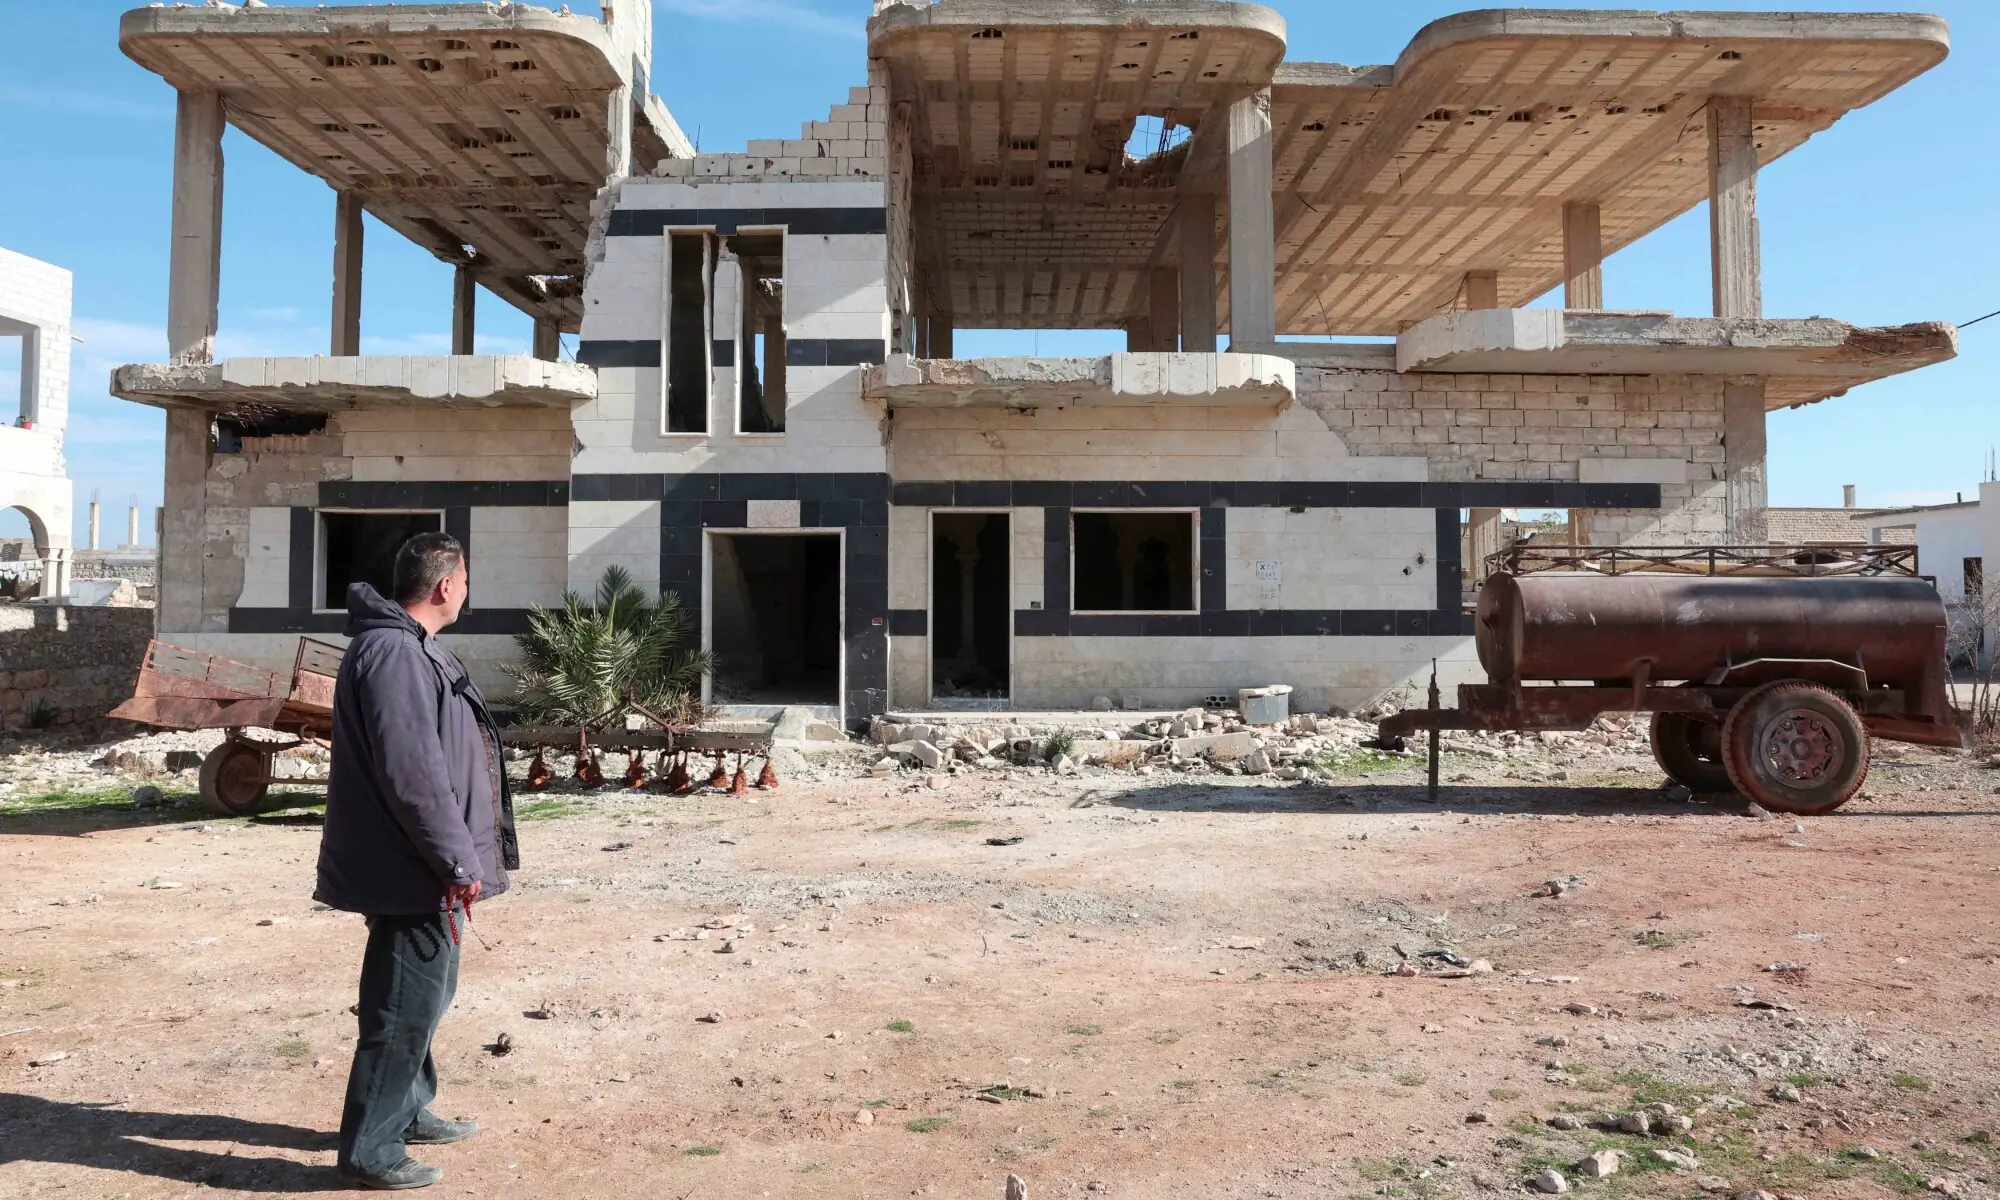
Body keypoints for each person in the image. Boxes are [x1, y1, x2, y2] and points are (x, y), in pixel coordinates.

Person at [316, 532, 519, 1190]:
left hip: (422, 867)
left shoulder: (411, 648)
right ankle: (370, 1150)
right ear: (445, 586)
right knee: (401, 1006)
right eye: (466, 579)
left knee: (427, 997)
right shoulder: (395, 654)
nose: (467, 590)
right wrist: (457, 862)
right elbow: (415, 777)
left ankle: (405, 1110)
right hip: (413, 870)